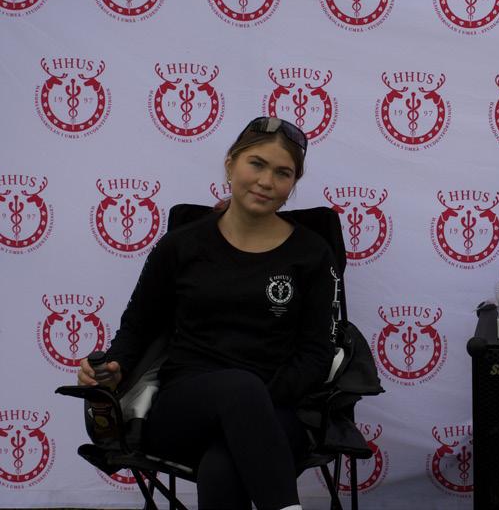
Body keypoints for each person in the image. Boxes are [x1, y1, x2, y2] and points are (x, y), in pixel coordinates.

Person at [77, 116, 337, 510]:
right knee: (239, 390)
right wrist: (113, 368)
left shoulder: (312, 253)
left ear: (292, 184)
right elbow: (138, 328)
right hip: (183, 407)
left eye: (283, 173)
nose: (266, 181)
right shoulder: (180, 246)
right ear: (231, 163)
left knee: (223, 467)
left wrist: (250, 409)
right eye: (256, 164)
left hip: (276, 408)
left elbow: (316, 354)